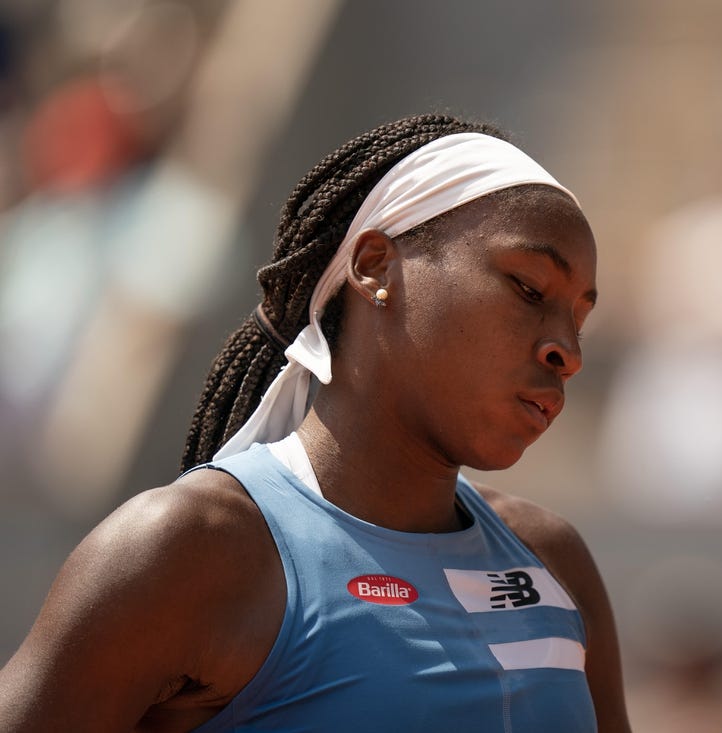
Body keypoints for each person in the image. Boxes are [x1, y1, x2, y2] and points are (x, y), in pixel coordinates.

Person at [0, 114, 631, 732]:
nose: (566, 352)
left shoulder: (553, 561)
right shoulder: (191, 548)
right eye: (528, 287)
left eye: (579, 317)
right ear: (375, 266)